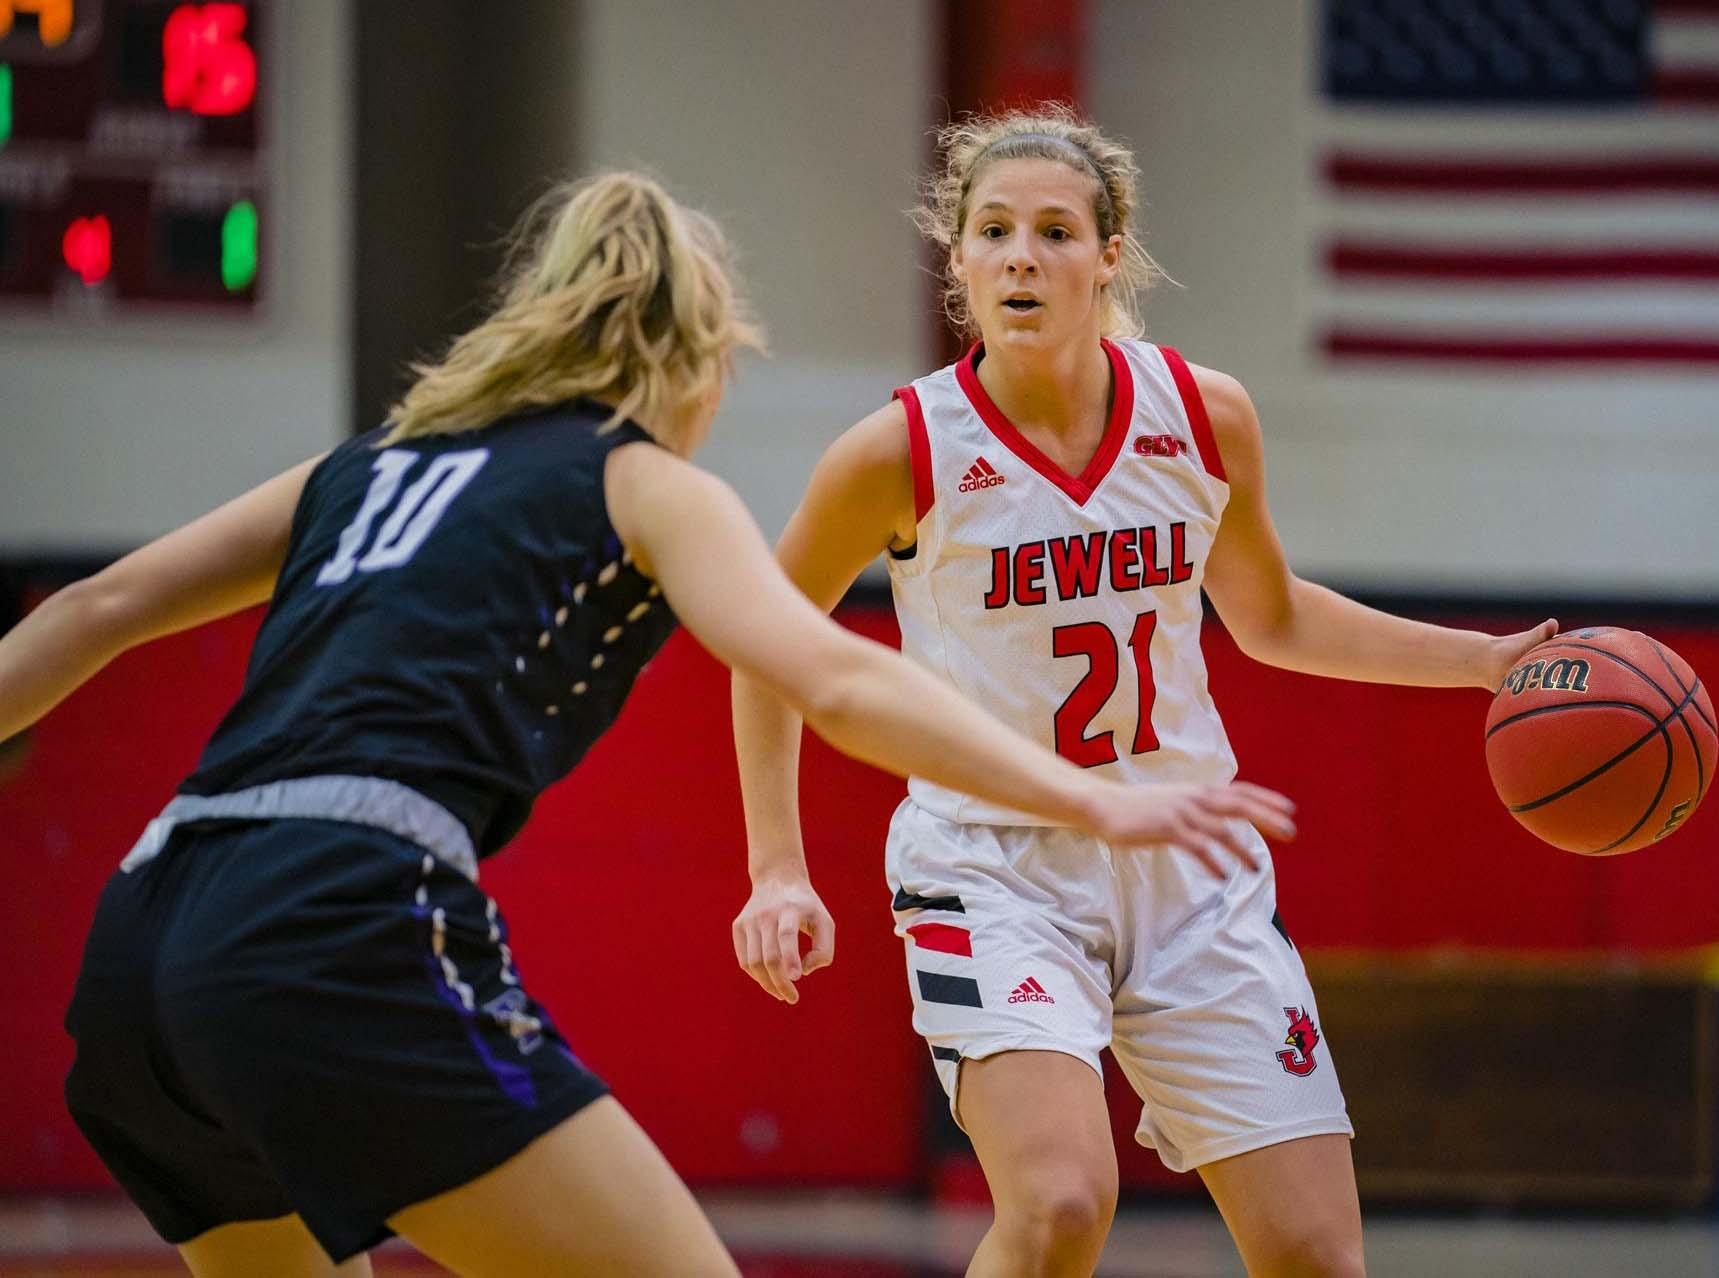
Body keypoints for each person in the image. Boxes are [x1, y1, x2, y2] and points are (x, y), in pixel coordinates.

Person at [0, 171, 1296, 1278]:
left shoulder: (375, 462)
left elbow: (101, 603)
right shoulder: (643, 480)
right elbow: (838, 679)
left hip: (146, 928)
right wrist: (1091, 796)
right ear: (695, 350)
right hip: (332, 910)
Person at [729, 107, 1557, 1278]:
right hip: (992, 863)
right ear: (957, 258)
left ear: (1108, 256)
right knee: (1063, 1203)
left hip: (1188, 863)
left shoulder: (1201, 416)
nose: (1023, 255)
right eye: (994, 231)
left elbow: (1267, 618)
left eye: (1056, 231)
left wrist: (1475, 663)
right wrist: (776, 866)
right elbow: (763, 640)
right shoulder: (897, 450)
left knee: (1318, 1254)